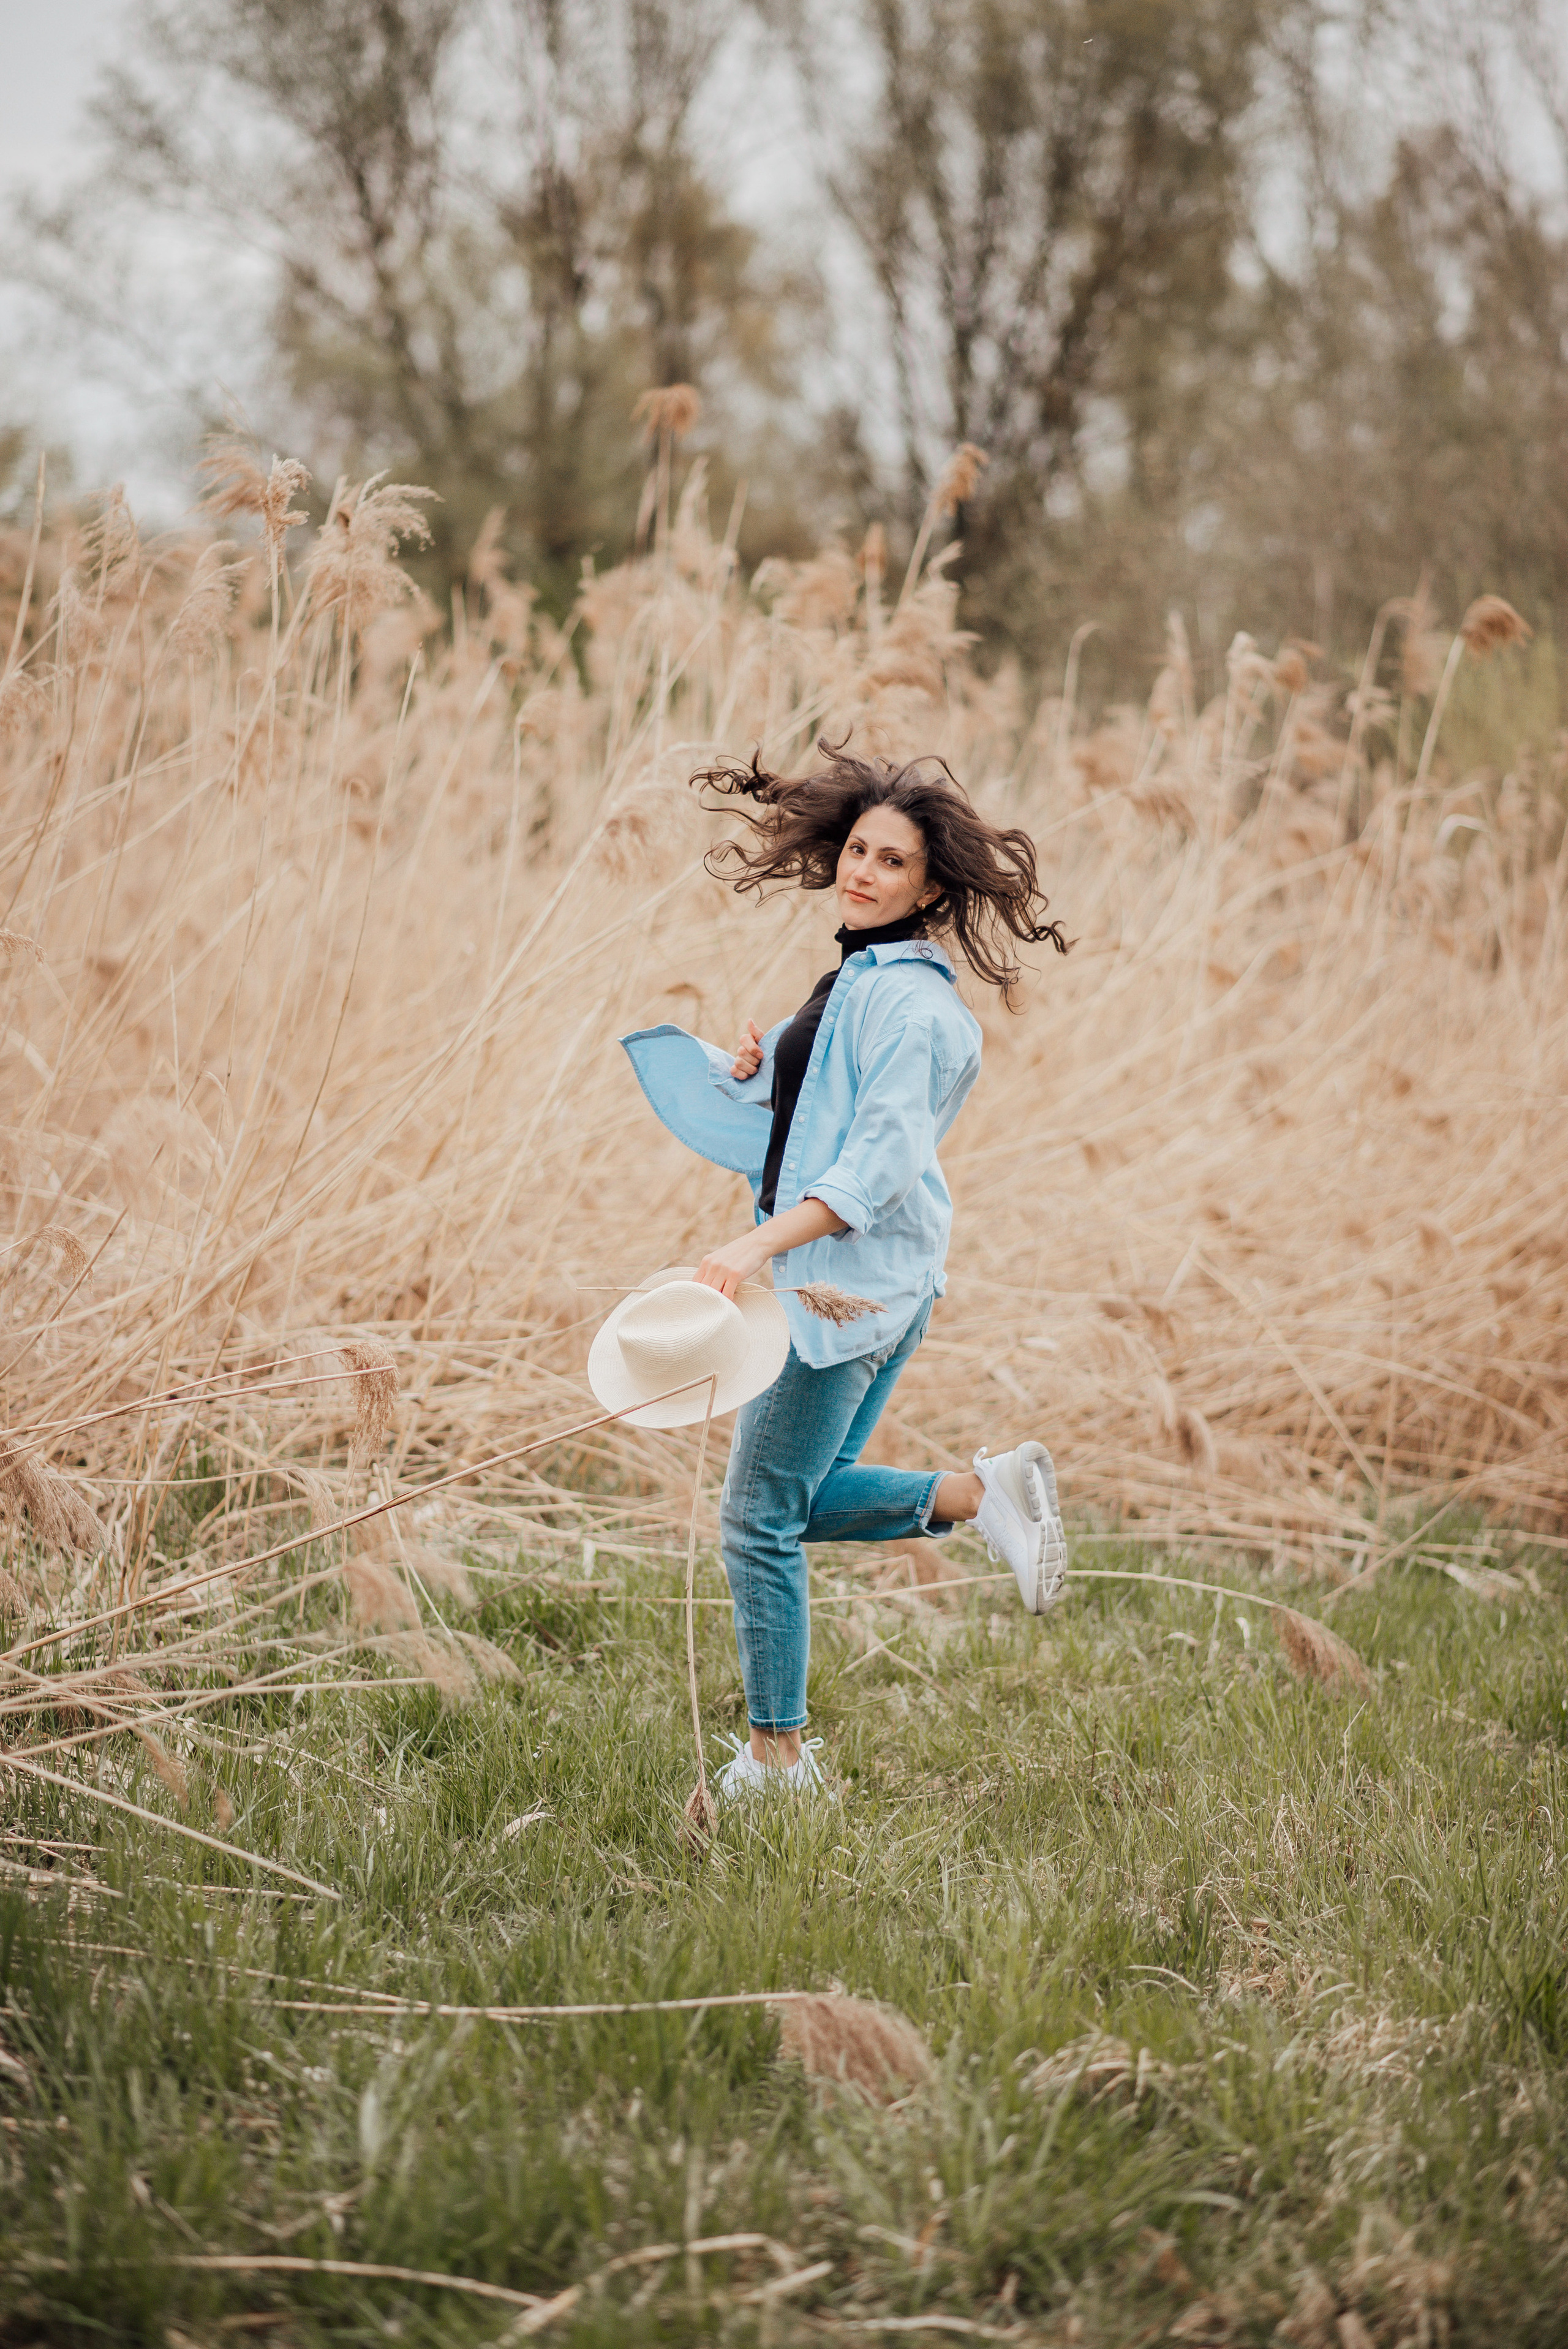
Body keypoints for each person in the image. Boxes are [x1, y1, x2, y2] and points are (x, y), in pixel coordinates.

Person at [617, 743, 1070, 1801]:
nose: (863, 870)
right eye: (858, 849)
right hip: (868, 1282)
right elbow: (813, 1111)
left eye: (892, 860)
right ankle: (978, 1491)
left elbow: (875, 1165)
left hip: (845, 1286)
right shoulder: (858, 979)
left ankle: (777, 1756)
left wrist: (755, 1247)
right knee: (798, 1504)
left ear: (933, 887)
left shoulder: (912, 1009)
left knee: (754, 1518)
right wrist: (754, 1065)